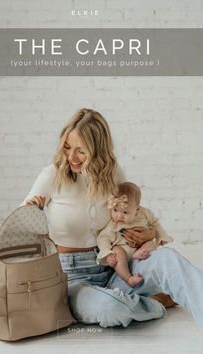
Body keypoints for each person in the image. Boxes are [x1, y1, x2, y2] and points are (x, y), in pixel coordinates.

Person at [22, 108, 203, 329]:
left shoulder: (113, 174)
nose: (71, 157)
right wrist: (33, 211)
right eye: (67, 148)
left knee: (168, 259)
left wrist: (152, 234)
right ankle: (154, 302)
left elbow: (130, 213)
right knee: (111, 308)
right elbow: (21, 223)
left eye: (81, 151)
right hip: (72, 279)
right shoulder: (52, 175)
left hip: (117, 267)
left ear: (98, 151)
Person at [96, 182, 173, 287]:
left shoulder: (145, 214)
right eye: (115, 210)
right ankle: (128, 278)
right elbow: (103, 238)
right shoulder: (113, 225)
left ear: (137, 209)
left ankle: (140, 255)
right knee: (117, 251)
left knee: (152, 244)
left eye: (125, 212)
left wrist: (161, 236)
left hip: (141, 252)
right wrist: (108, 253)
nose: (119, 216)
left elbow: (155, 223)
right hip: (123, 253)